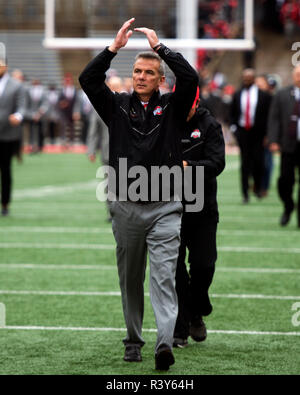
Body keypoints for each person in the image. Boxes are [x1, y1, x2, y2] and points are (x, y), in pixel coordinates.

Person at [79, 18, 198, 370]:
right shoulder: (115, 106)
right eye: (137, 71)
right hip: (126, 206)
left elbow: (190, 78)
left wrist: (161, 48)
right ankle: (133, 339)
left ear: (161, 79)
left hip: (165, 207)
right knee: (131, 279)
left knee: (163, 278)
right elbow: (88, 79)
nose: (142, 76)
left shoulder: (174, 108)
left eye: (149, 72)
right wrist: (112, 48)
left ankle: (164, 344)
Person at [173, 88, 225, 348]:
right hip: (170, 207)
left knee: (204, 265)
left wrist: (188, 167)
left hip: (203, 207)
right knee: (175, 269)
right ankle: (181, 326)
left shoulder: (209, 125)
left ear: (196, 102)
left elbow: (217, 163)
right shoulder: (165, 120)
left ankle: (198, 306)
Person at [230, 69, 272, 203]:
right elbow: (232, 114)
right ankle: (245, 193)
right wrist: (235, 129)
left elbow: (268, 116)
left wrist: (267, 134)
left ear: (254, 79)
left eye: (249, 78)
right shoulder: (237, 94)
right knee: (245, 163)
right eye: (244, 78)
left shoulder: (263, 96)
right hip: (243, 132)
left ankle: (258, 188)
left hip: (258, 132)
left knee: (258, 161)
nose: (246, 80)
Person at [267, 65, 300, 228]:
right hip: (288, 145)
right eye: (297, 74)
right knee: (285, 181)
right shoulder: (282, 94)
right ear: (293, 76)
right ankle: (288, 206)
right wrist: (273, 140)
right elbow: (274, 119)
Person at [0, 56, 26, 216]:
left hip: (8, 134)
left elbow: (22, 107)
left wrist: (18, 116)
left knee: (5, 169)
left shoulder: (16, 85)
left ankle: (5, 203)